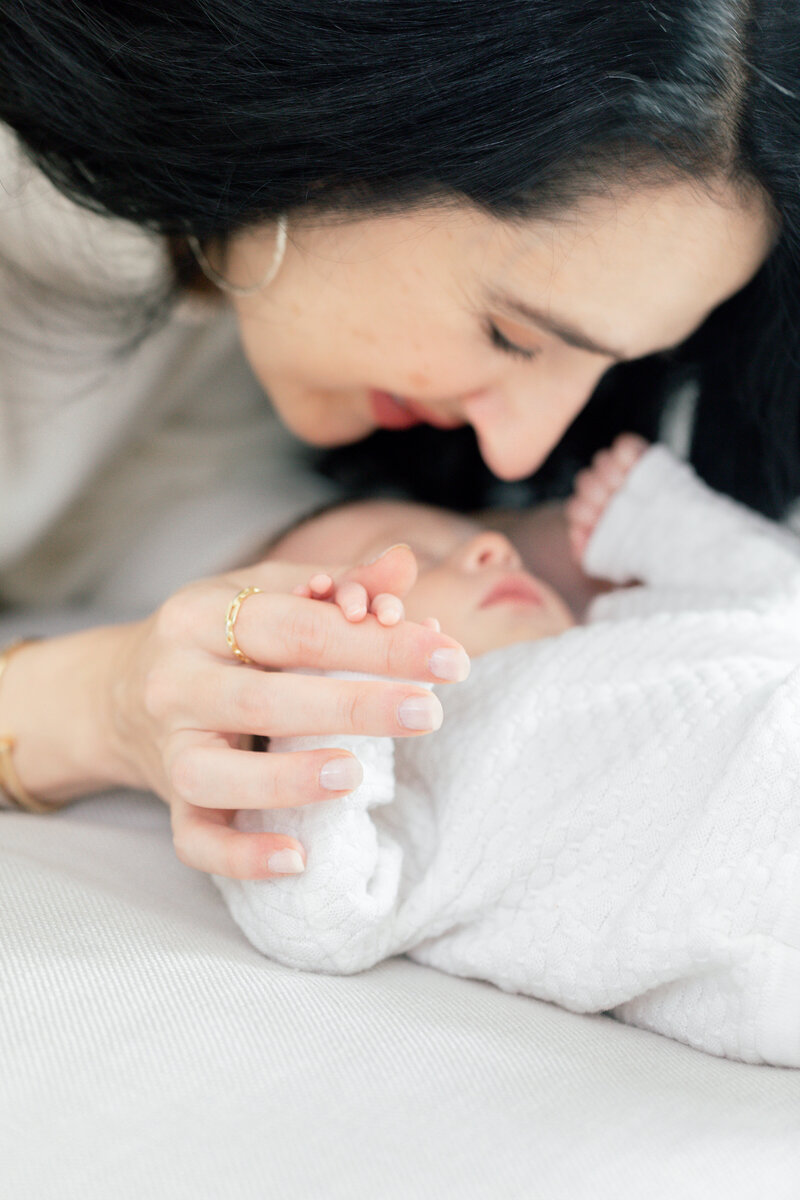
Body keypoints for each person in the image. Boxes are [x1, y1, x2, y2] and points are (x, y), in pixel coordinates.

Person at [0, 3, 798, 883]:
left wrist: (358, 555)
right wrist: (95, 705)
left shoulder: (272, 302)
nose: (519, 454)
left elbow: (131, 510)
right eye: (514, 337)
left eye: (600, 369)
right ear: (364, 126)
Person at [214, 435, 800, 1066]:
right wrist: (323, 702)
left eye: (467, 538)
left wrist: (656, 520)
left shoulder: (635, 627)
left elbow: (779, 596)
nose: (486, 547)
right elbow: (310, 917)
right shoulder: (408, 794)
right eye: (394, 570)